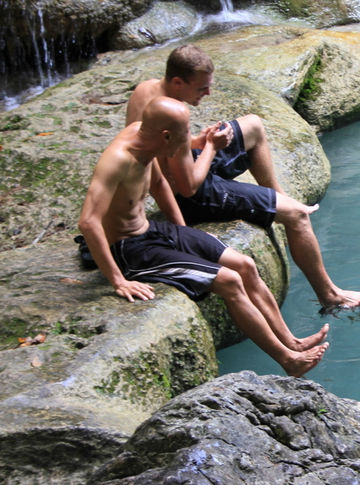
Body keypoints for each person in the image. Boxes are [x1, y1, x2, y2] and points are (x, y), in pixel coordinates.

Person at [80, 96, 329, 377]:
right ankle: (288, 360)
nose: (190, 140)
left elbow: (160, 183)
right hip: (131, 249)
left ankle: (292, 341)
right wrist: (118, 280)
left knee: (244, 264)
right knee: (230, 280)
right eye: (185, 134)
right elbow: (88, 222)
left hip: (152, 229)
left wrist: (181, 230)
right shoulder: (118, 160)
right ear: (165, 136)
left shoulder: (146, 136)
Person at [125, 43, 360, 311]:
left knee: (253, 125)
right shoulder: (174, 116)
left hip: (185, 164)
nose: (207, 93)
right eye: (201, 88)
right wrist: (211, 147)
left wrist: (200, 141)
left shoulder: (145, 90)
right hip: (190, 195)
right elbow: (188, 187)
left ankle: (277, 197)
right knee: (297, 217)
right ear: (177, 82)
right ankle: (329, 294)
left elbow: (163, 148)